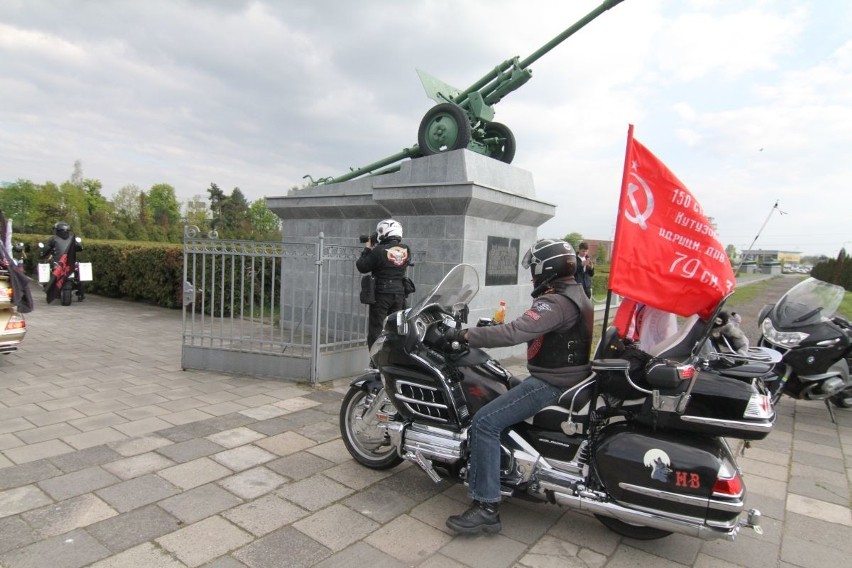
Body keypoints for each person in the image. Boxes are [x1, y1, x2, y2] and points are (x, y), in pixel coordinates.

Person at [442, 238, 593, 534]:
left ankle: (486, 506)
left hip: (550, 382)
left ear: (546, 268)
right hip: (565, 377)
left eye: (534, 268)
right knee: (501, 388)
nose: (532, 274)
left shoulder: (556, 301)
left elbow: (517, 331)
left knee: (484, 422)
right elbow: (530, 326)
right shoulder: (575, 292)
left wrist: (463, 335)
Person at [355, 219, 412, 348]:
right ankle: (393, 359)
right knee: (395, 327)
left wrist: (368, 249)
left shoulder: (379, 250)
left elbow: (362, 266)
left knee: (377, 328)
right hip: (399, 293)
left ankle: (375, 363)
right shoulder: (406, 249)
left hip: (382, 295)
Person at [42, 221, 85, 301]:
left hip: (58, 263)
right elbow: (80, 248)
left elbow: (46, 249)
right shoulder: (72, 238)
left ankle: (48, 288)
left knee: (50, 271)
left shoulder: (53, 239)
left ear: (57, 230)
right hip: (70, 263)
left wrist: (42, 253)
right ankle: (81, 294)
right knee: (78, 275)